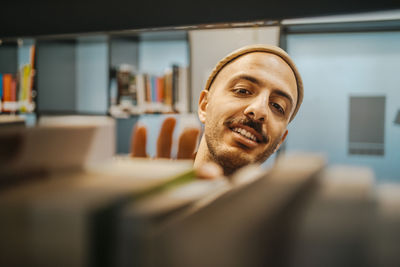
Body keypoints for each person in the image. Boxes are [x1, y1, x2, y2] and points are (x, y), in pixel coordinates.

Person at [131, 44, 303, 177]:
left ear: (280, 141)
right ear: (204, 106)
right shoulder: (149, 189)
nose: (259, 110)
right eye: (242, 90)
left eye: (277, 106)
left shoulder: (281, 221)